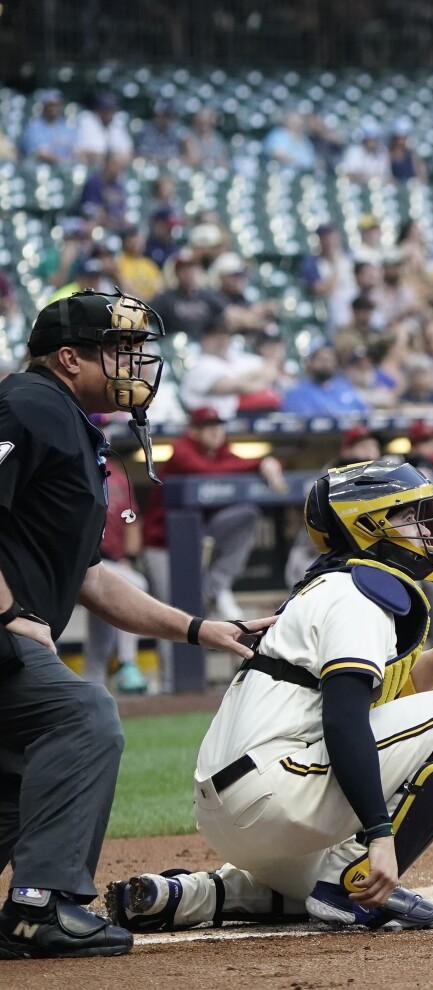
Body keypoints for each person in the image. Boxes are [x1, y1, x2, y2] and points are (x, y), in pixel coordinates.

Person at [106, 459, 433, 934]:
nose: (424, 527)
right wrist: (377, 836)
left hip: (230, 811)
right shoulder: (359, 596)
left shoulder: (333, 586)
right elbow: (345, 721)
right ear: (368, 523)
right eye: (408, 515)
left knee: (301, 896)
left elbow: (387, 695)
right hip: (275, 794)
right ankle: (348, 875)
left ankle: (190, 895)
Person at [0, 291, 269, 959]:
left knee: (12, 786)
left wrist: (201, 628)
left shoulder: (68, 418)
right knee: (81, 717)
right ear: (69, 358)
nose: (135, 365)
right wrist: (7, 611)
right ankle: (43, 906)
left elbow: (89, 577)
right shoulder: (29, 403)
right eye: (119, 351)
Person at [140, 407, 287, 626]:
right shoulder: (182, 450)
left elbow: (233, 463)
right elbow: (208, 471)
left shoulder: (222, 452)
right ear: (193, 431)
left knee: (248, 514)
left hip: (196, 538)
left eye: (218, 426)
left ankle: (217, 584)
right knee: (170, 615)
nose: (216, 431)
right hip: (163, 545)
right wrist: (258, 464)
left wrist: (267, 462)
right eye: (208, 427)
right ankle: (171, 660)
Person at [84, 444, 150, 695]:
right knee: (132, 586)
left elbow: (131, 520)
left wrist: (129, 558)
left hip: (108, 560)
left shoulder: (118, 475)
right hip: (73, 560)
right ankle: (126, 662)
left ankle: (98, 676)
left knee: (109, 604)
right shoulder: (70, 465)